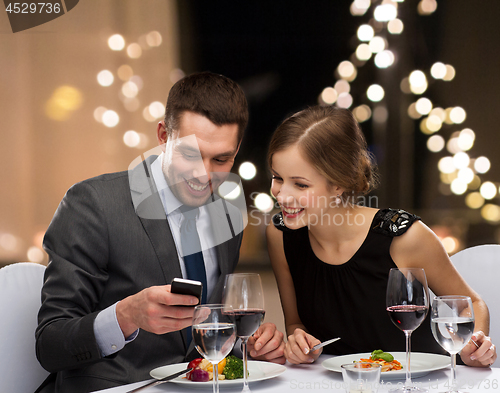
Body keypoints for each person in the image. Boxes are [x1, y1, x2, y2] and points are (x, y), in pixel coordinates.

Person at [35, 72, 285, 393]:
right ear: (163, 136)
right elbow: (50, 345)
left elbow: (203, 331)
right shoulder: (93, 203)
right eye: (190, 154)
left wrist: (248, 346)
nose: (204, 175)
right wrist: (125, 316)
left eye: (222, 159)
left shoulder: (227, 210)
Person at [266, 105, 497, 367]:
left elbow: (472, 304)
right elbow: (297, 324)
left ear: (338, 183)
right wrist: (298, 341)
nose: (282, 195)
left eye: (300, 184)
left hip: (421, 382)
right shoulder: (280, 237)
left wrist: (473, 346)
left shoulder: (403, 238)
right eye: (277, 178)